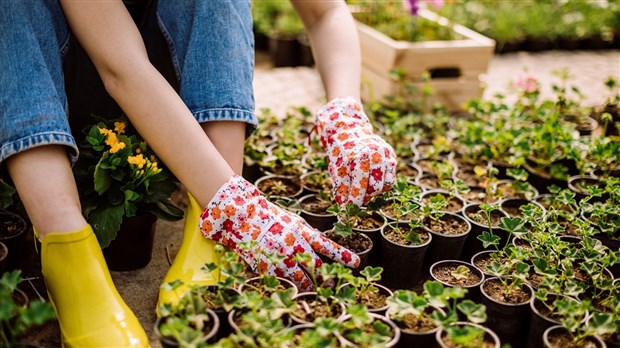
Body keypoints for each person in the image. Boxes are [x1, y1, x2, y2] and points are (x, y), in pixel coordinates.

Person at [0, 0, 396, 346]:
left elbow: (325, 10)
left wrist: (345, 115)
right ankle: (68, 254)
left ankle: (208, 229)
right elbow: (120, 67)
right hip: (52, 93)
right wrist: (240, 209)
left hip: (176, 98)